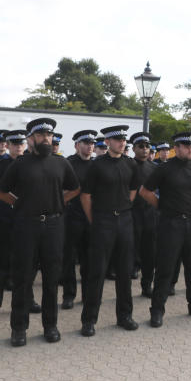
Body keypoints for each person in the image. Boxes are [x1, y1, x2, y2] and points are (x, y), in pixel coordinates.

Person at [0, 118, 79, 346]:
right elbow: (1, 192)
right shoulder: (20, 164)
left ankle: (50, 326)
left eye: (49, 136)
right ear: (30, 139)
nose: (46, 139)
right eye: (41, 135)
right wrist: (18, 203)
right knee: (22, 279)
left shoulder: (61, 163)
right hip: (26, 226)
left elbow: (76, 188)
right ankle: (19, 329)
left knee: (52, 279)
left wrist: (59, 201)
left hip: (53, 226)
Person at [139, 131, 191, 327]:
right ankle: (157, 311)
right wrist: (162, 206)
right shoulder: (164, 169)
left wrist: (189, 204)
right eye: (186, 146)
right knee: (165, 269)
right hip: (170, 224)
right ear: (177, 148)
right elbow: (145, 191)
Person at [79, 125, 141, 336]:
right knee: (97, 272)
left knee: (124, 271)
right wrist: (94, 220)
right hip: (103, 221)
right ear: (107, 142)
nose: (121, 143)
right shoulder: (97, 166)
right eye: (116, 140)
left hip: (124, 220)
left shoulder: (130, 163)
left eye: (123, 140)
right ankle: (89, 320)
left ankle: (125, 316)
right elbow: (86, 196)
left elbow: (134, 189)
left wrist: (123, 208)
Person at [0, 129, 28, 319]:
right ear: (7, 145)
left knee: (27, 265)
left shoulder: (31, 165)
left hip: (27, 222)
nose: (18, 147)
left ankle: (27, 300)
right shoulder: (1, 166)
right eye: (14, 144)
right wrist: (4, 209)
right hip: (5, 220)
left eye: (21, 144)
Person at [62, 130, 96, 309]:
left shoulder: (97, 164)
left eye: (92, 143)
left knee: (89, 259)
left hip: (91, 216)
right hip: (72, 215)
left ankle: (87, 295)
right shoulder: (68, 163)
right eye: (85, 142)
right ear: (77, 145)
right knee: (68, 258)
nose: (89, 146)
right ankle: (69, 295)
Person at [129, 132, 156, 286]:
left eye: (147, 146)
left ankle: (147, 283)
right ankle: (133, 267)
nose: (145, 149)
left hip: (150, 213)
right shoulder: (128, 165)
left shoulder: (154, 167)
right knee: (132, 246)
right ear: (134, 148)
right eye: (141, 146)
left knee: (149, 250)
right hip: (132, 211)